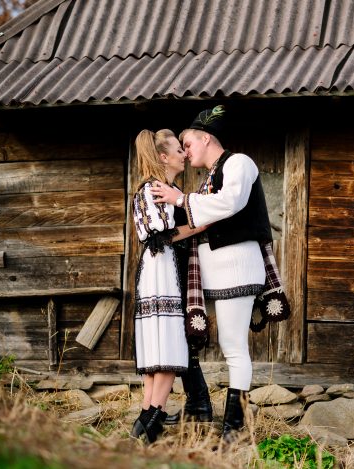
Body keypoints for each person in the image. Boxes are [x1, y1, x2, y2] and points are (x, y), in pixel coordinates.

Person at [151, 105, 273, 442]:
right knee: (185, 334)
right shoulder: (208, 178)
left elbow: (230, 202)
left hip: (236, 267)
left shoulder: (239, 163)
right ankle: (199, 404)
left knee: (233, 346)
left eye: (188, 144)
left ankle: (235, 425)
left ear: (206, 138)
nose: (186, 152)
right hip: (210, 272)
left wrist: (180, 199)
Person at [129, 128, 207, 444]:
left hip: (161, 268)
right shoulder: (154, 188)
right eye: (178, 150)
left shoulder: (165, 189)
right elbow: (162, 235)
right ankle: (151, 421)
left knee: (162, 348)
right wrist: (202, 224)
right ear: (163, 157)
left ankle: (146, 420)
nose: (184, 154)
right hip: (161, 270)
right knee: (168, 347)